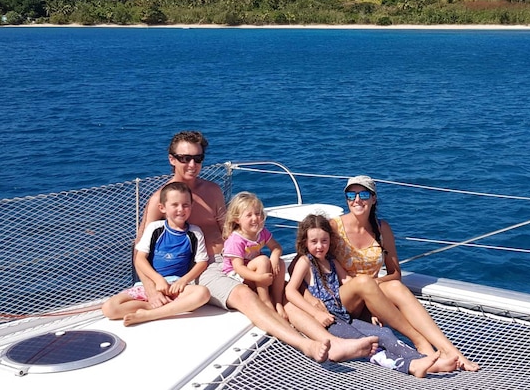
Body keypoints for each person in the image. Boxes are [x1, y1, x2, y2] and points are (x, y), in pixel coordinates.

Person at [138, 131, 378, 363]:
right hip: (201, 269)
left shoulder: (211, 191)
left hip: (234, 260)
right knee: (245, 296)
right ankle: (307, 345)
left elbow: (231, 231)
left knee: (281, 293)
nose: (192, 164)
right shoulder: (161, 200)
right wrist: (152, 290)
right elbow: (141, 250)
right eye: (184, 158)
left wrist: (258, 258)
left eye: (198, 158)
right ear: (172, 159)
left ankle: (331, 343)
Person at [330, 175, 480, 371]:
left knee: (394, 286)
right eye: (352, 195)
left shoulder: (382, 229)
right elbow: (313, 264)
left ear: (373, 198)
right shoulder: (333, 227)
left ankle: (450, 351)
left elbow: (394, 273)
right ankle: (420, 342)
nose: (357, 200)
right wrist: (367, 286)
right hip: (340, 300)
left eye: (364, 194)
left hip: (369, 298)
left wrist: (373, 292)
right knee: (366, 282)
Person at [287, 214, 457, 377]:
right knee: (368, 343)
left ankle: (424, 361)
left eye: (324, 241)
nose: (320, 246)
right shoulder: (305, 262)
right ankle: (410, 366)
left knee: (384, 334)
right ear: (305, 242)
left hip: (344, 314)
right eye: (314, 242)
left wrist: (372, 305)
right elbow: (290, 291)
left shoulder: (331, 261)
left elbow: (347, 281)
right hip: (329, 320)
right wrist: (316, 313)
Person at [102, 181, 210, 326]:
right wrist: (157, 280)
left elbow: (202, 262)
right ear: (162, 208)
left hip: (176, 288)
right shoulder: (155, 229)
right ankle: (160, 308)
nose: (181, 209)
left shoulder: (194, 233)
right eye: (175, 205)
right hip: (151, 285)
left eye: (185, 205)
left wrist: (183, 281)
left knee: (203, 293)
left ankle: (150, 314)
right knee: (109, 308)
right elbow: (140, 258)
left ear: (191, 206)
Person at [222, 191, 287, 318]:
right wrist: (259, 278)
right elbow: (238, 267)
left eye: (257, 214)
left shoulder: (261, 232)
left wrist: (274, 256)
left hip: (254, 269)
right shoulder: (236, 240)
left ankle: (278, 300)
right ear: (237, 219)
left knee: (280, 262)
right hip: (238, 275)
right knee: (263, 260)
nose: (255, 218)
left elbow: (276, 247)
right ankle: (265, 301)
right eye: (249, 215)